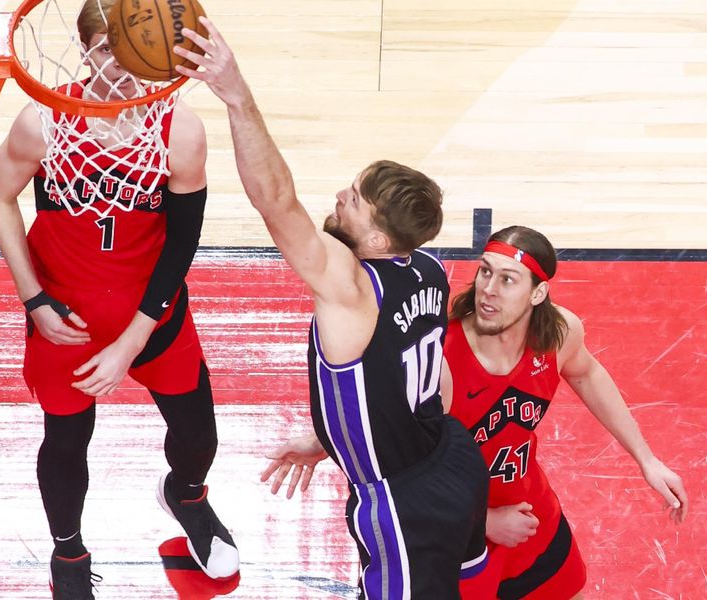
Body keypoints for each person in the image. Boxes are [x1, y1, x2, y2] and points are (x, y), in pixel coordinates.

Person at [173, 18, 491, 599]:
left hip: (400, 503)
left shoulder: (351, 285)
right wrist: (332, 439)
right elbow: (432, 386)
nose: (342, 196)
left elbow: (277, 204)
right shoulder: (429, 270)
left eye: (357, 199)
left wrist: (236, 93)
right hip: (455, 461)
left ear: (374, 242)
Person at [0, 1, 239, 597]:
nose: (122, 69)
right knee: (67, 443)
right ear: (86, 48)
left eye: (134, 55)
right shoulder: (42, 121)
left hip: (152, 317)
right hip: (65, 322)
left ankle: (186, 493)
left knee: (199, 432)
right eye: (108, 51)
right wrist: (34, 301)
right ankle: (68, 555)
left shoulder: (179, 127)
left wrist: (133, 339)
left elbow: (182, 243)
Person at [441, 225, 689, 600]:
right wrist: (486, 523)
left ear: (538, 293)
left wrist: (647, 460)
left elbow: (587, 373)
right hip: (456, 530)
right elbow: (406, 467)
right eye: (485, 271)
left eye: (508, 280)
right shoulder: (440, 355)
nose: (488, 289)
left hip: (529, 515)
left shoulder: (558, 334)